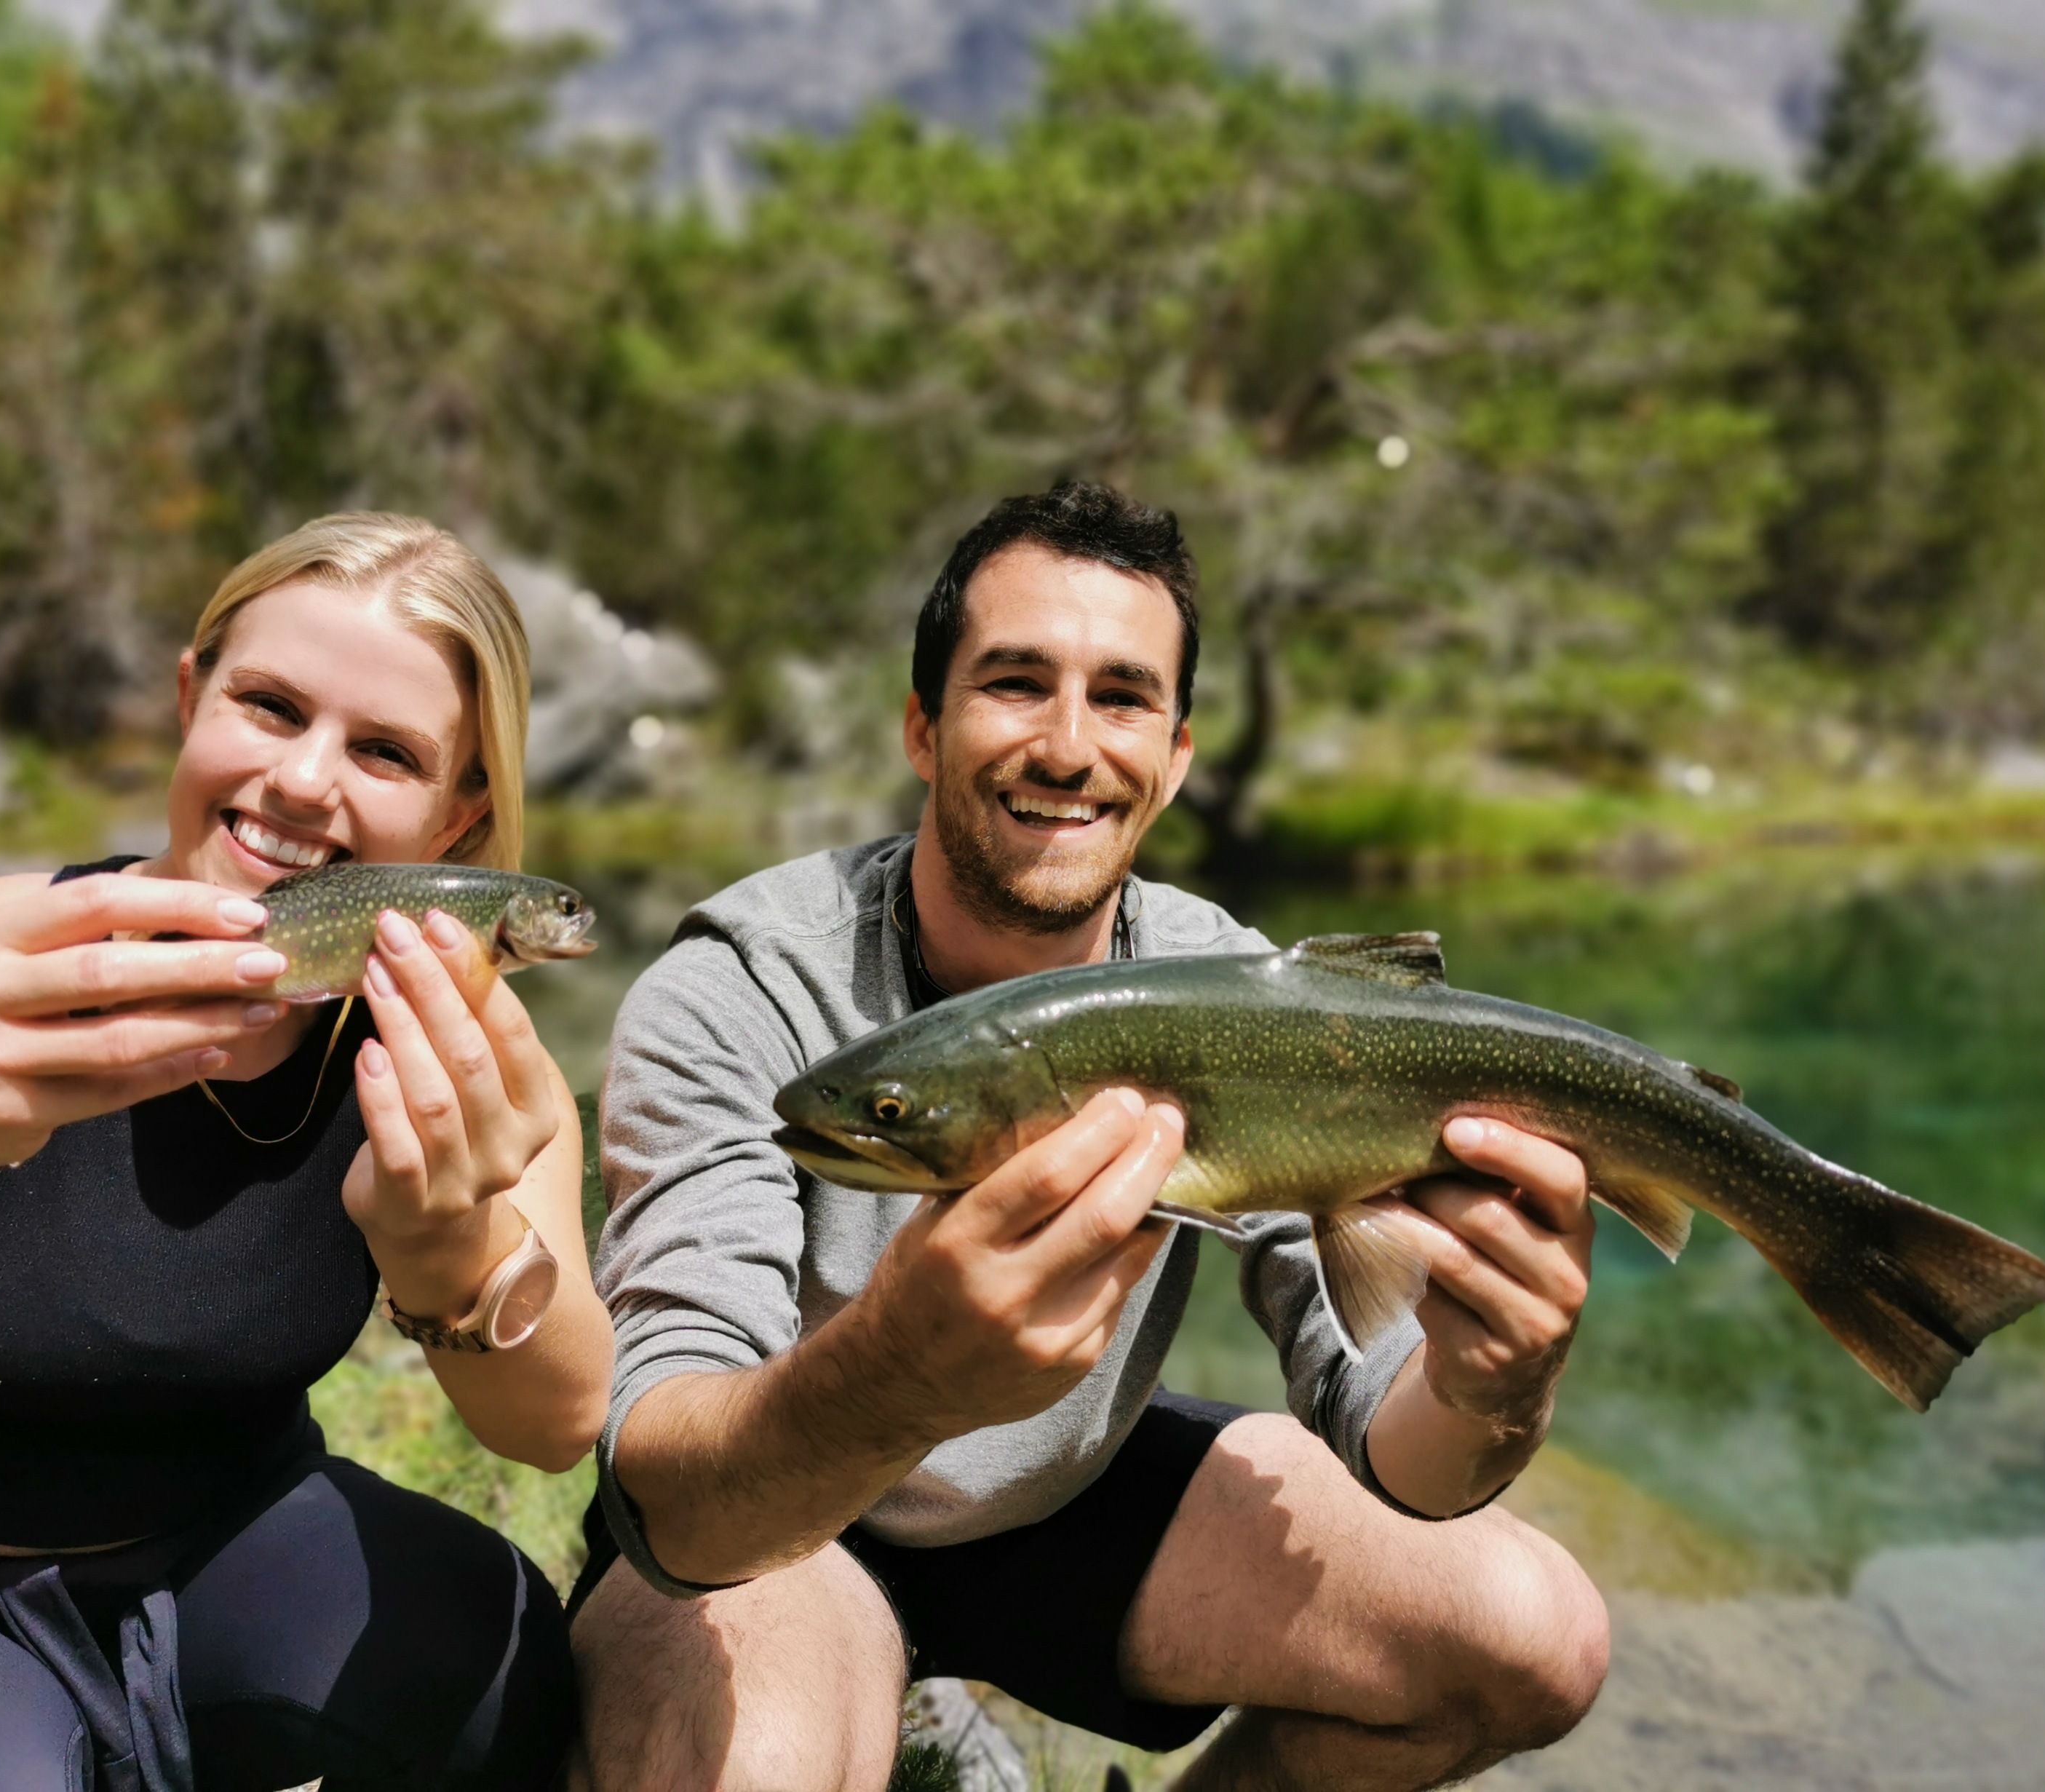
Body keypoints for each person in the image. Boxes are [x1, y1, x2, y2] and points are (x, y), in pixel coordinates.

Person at [569, 481, 1611, 1791]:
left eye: (1120, 698)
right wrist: (903, 1370)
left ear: (1175, 756)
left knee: (1538, 1638)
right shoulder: (739, 986)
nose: (1069, 747)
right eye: (1014, 683)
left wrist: (1490, 1390)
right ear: (922, 728)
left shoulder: (1237, 993)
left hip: (1066, 1497)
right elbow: (666, 1487)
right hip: (775, 1515)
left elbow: (1381, 1427)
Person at [0, 512, 613, 1791]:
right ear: (188, 696)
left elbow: (557, 1421)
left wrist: (446, 1243)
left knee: (510, 1669)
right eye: (269, 706)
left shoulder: (454, 1040)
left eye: (385, 750)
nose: (309, 781)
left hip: (233, 1546)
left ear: (459, 810)